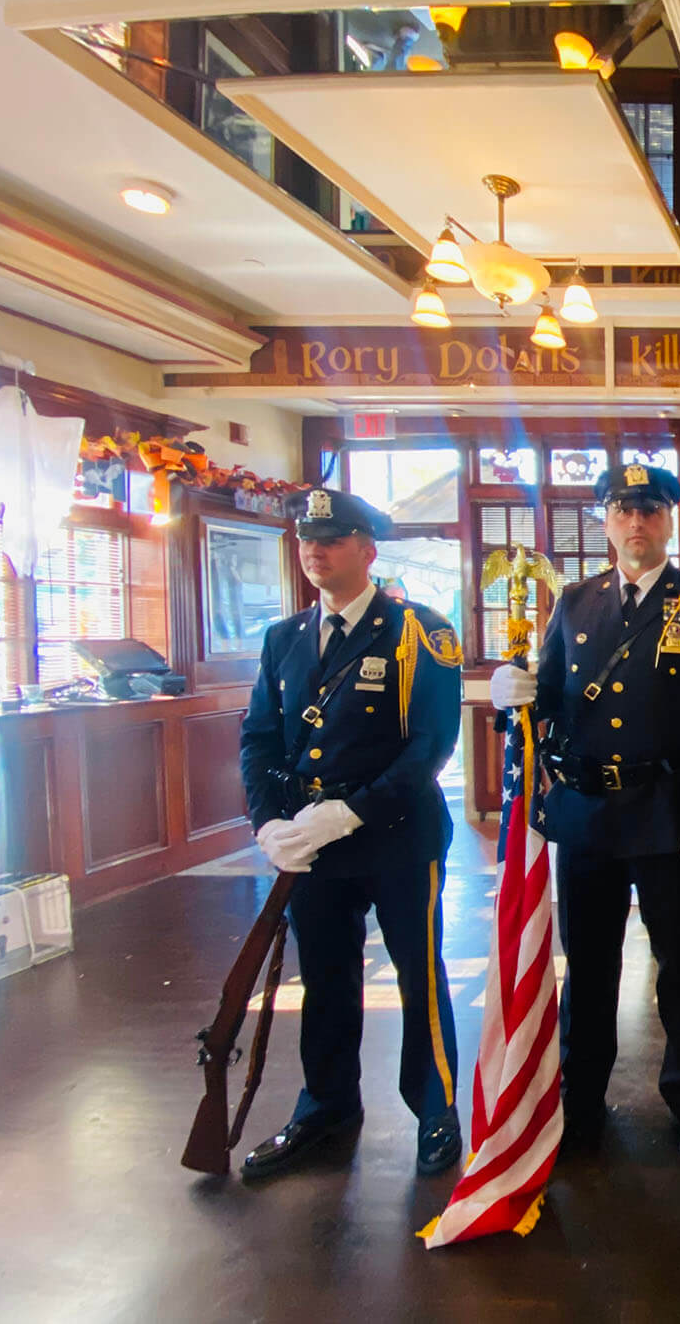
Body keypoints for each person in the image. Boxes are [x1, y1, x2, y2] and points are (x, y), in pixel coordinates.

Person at [491, 464, 680, 1171]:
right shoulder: (573, 604)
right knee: (590, 966)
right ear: (606, 522)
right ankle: (582, 1101)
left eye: (650, 510)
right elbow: (546, 705)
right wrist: (513, 697)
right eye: (623, 510)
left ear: (669, 521)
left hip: (668, 813)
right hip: (587, 816)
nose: (636, 522)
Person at [237, 488, 464, 1182]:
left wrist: (353, 811)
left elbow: (429, 746)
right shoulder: (284, 639)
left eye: (332, 540)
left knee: (417, 974)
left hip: (396, 836)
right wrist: (269, 820)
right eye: (308, 539)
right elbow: (259, 739)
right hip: (313, 844)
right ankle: (327, 1104)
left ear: (367, 550)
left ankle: (435, 1107)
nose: (316, 550)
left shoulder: (420, 631)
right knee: (327, 979)